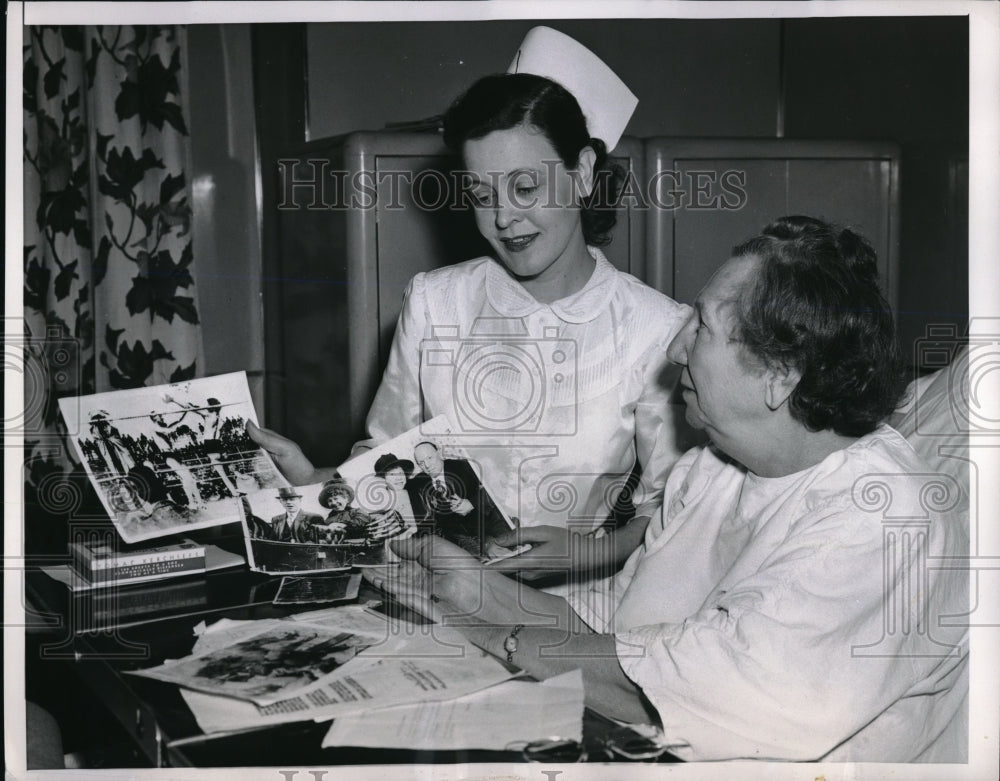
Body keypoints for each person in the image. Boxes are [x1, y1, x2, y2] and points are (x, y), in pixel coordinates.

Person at [373, 216, 969, 762]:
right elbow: (619, 628)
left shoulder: (884, 514)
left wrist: (498, 636)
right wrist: (474, 589)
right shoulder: (713, 468)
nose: (676, 347)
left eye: (703, 327)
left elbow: (719, 682)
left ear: (779, 375)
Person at [248, 27, 695, 581]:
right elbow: (389, 463)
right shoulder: (436, 303)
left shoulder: (658, 330)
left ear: (582, 173)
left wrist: (588, 552)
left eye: (525, 188)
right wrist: (314, 481)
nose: (503, 218)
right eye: (483, 195)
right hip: (431, 593)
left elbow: (675, 511)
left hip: (570, 604)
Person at [405, 440, 510, 558]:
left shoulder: (464, 466)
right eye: (421, 463)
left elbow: (495, 488)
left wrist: (472, 503)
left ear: (439, 453)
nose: (427, 466)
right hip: (459, 539)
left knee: (506, 552)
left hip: (488, 524)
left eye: (430, 458)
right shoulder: (418, 484)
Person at [373, 452, 418, 532]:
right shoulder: (381, 501)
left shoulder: (412, 491)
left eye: (400, 473)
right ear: (383, 479)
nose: (399, 478)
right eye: (392, 474)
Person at [316, 478, 372, 542]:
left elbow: (361, 520)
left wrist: (343, 525)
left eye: (336, 498)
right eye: (330, 501)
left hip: (354, 544)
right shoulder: (329, 518)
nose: (333, 503)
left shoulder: (356, 512)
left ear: (346, 499)